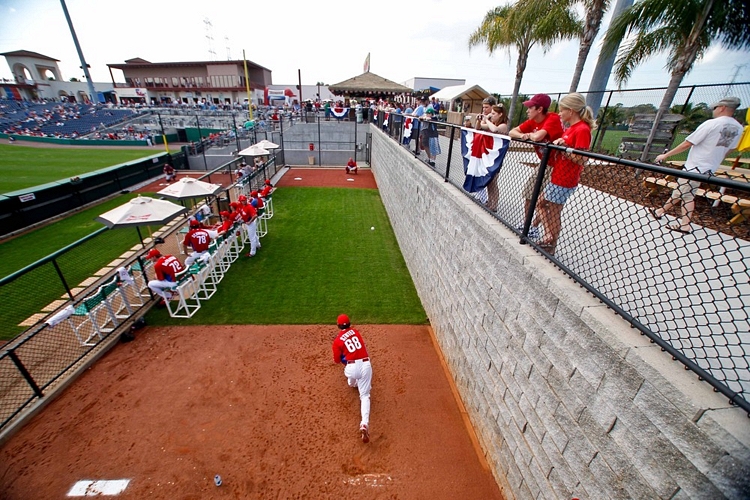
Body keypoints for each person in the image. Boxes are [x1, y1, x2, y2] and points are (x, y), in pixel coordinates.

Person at [650, 97, 743, 234]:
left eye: (715, 108)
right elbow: (731, 149)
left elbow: (688, 143)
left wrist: (666, 155)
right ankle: (660, 211)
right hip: (710, 167)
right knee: (682, 190)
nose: (714, 111)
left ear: (722, 107)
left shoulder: (712, 124)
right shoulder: (738, 128)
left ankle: (685, 225)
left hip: (696, 165)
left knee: (687, 195)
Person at [537, 93, 595, 254]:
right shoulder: (572, 128)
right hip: (558, 174)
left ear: (571, 110)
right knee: (542, 203)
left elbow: (582, 159)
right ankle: (548, 237)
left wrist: (565, 149)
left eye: (562, 110)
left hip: (565, 179)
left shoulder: (582, 129)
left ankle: (551, 245)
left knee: (554, 210)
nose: (560, 114)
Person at [508, 94, 563, 240]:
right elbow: (512, 131)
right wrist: (524, 135)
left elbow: (538, 137)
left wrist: (529, 135)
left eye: (530, 107)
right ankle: (528, 225)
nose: (527, 110)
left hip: (557, 165)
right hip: (544, 164)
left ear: (539, 109)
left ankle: (535, 228)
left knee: (544, 201)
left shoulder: (552, 118)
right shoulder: (532, 121)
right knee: (528, 194)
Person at [332, 314, 372, 443]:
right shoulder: (356, 332)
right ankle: (364, 424)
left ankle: (352, 382)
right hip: (366, 365)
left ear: (338, 325)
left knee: (351, 379)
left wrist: (345, 357)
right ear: (349, 323)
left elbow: (337, 360)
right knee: (365, 395)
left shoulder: (337, 341)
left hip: (351, 369)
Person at [476, 104, 510, 211]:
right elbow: (479, 127)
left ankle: (494, 205)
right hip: (489, 157)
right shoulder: (492, 123)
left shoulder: (503, 125)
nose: (492, 115)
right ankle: (490, 202)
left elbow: (495, 130)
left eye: (494, 114)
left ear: (501, 114)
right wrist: (480, 120)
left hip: (497, 158)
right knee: (489, 182)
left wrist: (487, 120)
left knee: (493, 182)